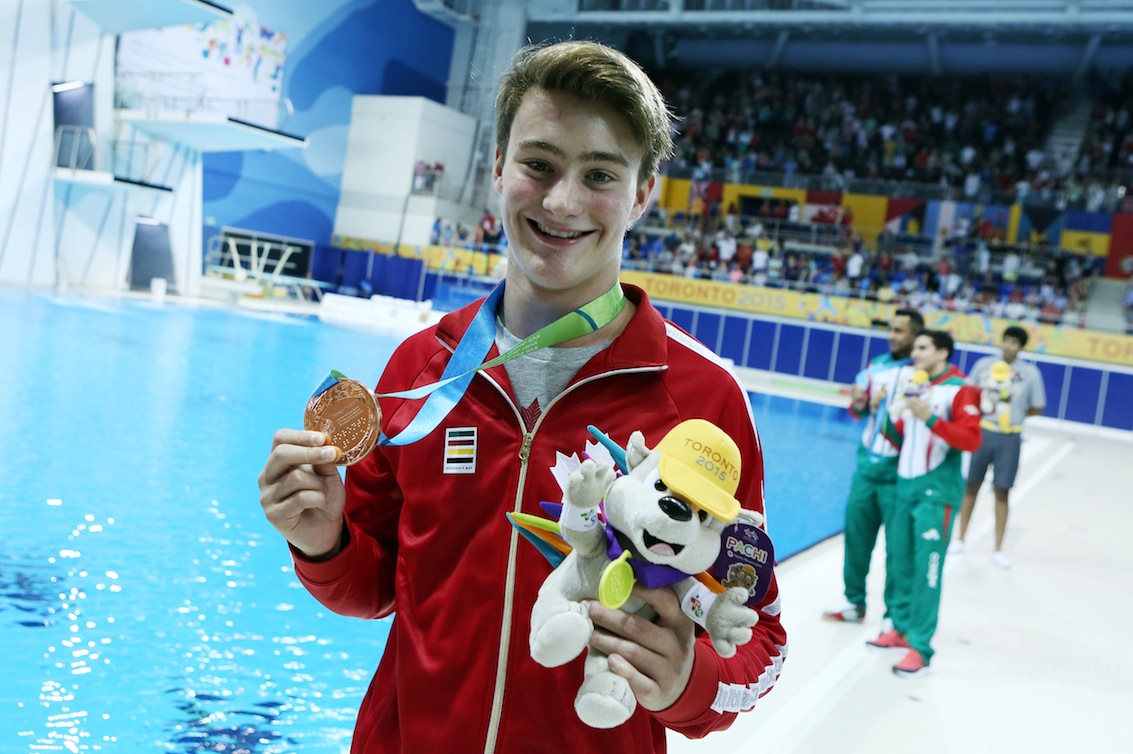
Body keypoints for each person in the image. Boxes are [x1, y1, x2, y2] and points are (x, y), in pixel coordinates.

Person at [257, 40, 786, 754]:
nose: (561, 201)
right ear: (498, 164)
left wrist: (689, 679)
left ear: (642, 193)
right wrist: (321, 542)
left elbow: (762, 641)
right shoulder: (424, 369)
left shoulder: (702, 400)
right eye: (538, 164)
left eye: (599, 174)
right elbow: (375, 587)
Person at [868, 330, 981, 677]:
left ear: (942, 352)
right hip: (905, 488)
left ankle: (921, 646)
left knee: (927, 572)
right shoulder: (916, 384)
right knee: (899, 563)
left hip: (937, 493)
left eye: (922, 347)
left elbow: (971, 439)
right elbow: (900, 435)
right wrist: (882, 413)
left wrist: (929, 417)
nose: (914, 352)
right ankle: (900, 628)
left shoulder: (961, 389)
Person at [823, 308, 924, 626]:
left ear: (915, 336)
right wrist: (858, 401)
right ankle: (854, 601)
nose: (893, 336)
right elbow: (857, 411)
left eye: (901, 331)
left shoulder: (921, 373)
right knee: (856, 538)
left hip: (899, 473)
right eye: (891, 329)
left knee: (898, 547)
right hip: (866, 468)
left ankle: (895, 613)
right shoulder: (875, 367)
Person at [952, 325, 1046, 568]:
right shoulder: (984, 366)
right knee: (971, 485)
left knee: (1002, 490)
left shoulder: (1030, 374)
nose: (1009, 346)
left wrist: (1015, 406)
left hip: (1009, 436)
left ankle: (998, 548)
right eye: (1007, 340)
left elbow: (1037, 406)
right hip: (983, 431)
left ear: (1021, 347)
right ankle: (960, 538)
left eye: (1014, 342)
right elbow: (968, 392)